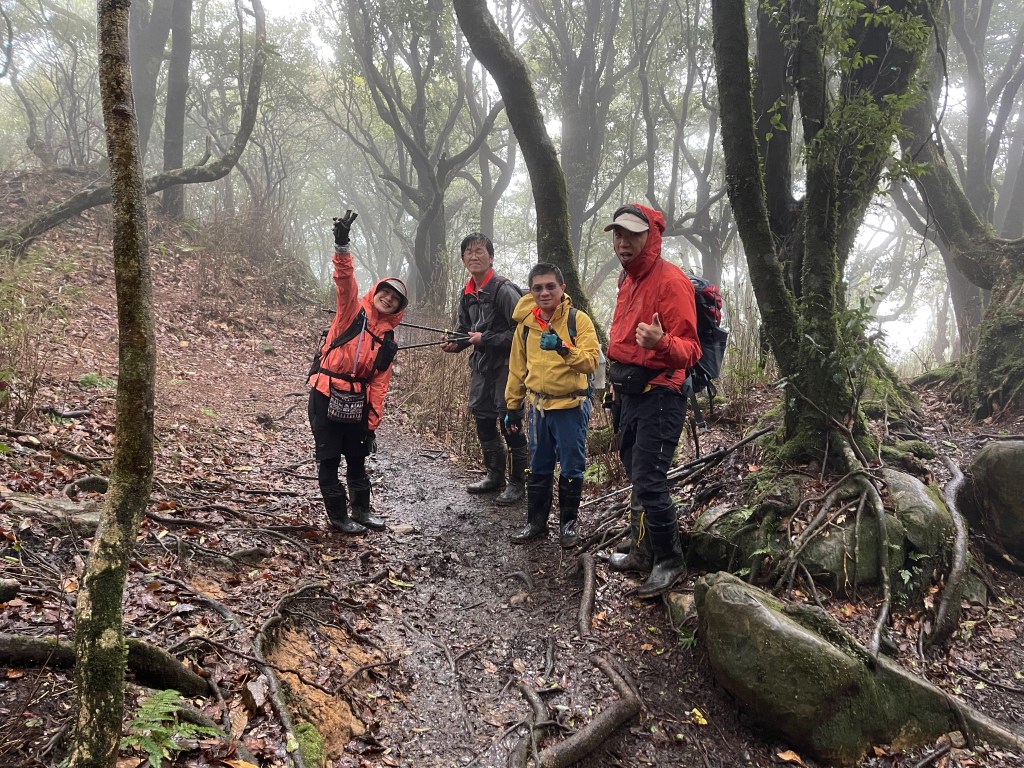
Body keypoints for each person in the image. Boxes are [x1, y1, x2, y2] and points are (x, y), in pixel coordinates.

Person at [604, 203, 701, 596]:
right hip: (629, 393)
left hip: (662, 395)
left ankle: (670, 560)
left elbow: (691, 350)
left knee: (649, 480)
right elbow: (624, 341)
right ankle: (642, 551)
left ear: (652, 236)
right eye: (618, 234)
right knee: (637, 476)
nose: (623, 242)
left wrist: (661, 342)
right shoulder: (627, 280)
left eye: (632, 234)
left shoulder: (671, 281)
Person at [307, 210, 408, 534]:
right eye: (385, 292)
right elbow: (345, 282)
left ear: (399, 308)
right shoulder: (351, 312)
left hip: (356, 403)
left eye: (395, 299)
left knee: (357, 457)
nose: (388, 299)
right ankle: (338, 516)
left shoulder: (388, 340)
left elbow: (379, 384)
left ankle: (361, 511)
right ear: (375, 291)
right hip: (325, 393)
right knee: (329, 458)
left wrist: (372, 423)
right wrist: (342, 246)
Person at [504, 263, 600, 547]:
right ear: (530, 291)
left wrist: (562, 347)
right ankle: (536, 523)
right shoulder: (525, 325)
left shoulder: (577, 320)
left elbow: (591, 361)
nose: (544, 293)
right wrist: (512, 406)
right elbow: (517, 369)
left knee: (571, 466)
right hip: (538, 408)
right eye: (537, 288)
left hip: (571, 407)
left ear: (562, 288)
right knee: (539, 465)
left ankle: (568, 527)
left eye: (550, 287)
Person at [440, 232, 529, 505]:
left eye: (480, 251)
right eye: (468, 252)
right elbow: (464, 330)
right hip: (481, 368)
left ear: (491, 257)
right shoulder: (467, 293)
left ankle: (518, 483)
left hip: (507, 368)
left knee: (510, 422)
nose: (474, 256)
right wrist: (455, 343)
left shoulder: (503, 290)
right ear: (463, 259)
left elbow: (524, 332)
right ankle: (494, 476)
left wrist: (486, 339)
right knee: (483, 419)